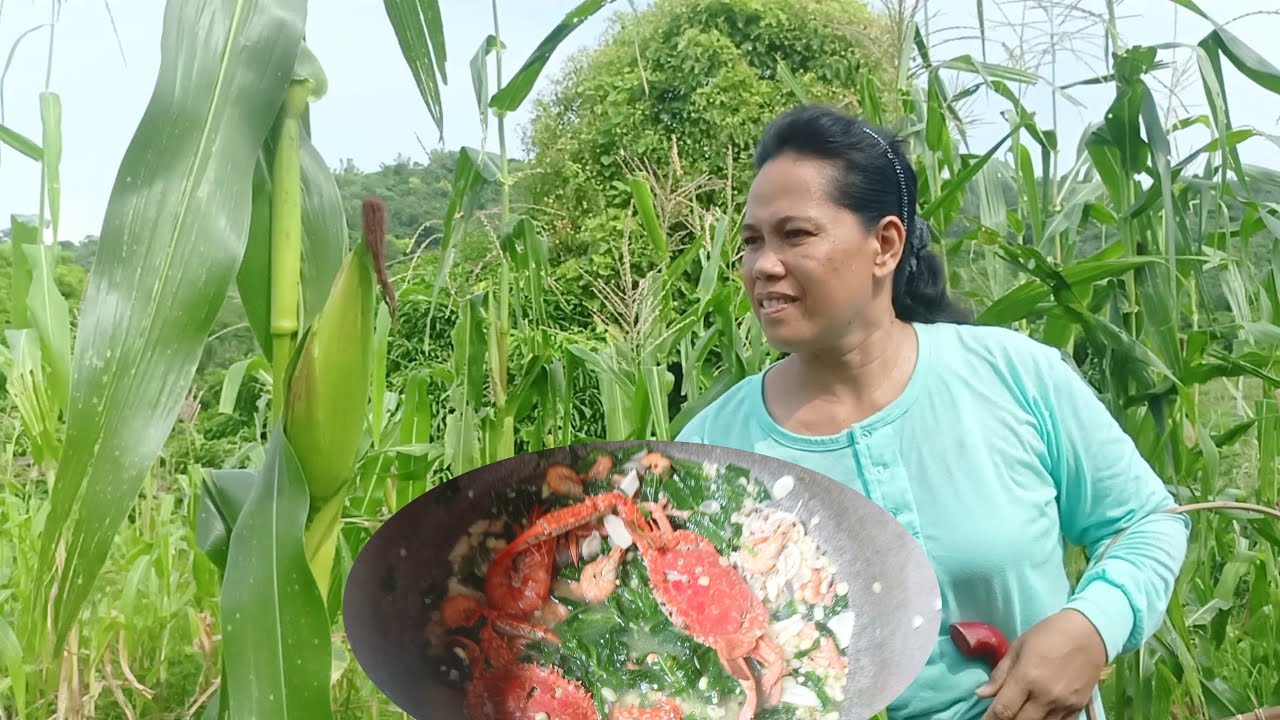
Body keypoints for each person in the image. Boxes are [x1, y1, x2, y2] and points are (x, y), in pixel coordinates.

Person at [673, 104, 1190, 720]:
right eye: (752, 241)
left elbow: (1146, 521)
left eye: (796, 234)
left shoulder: (1013, 376)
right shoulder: (711, 447)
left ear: (885, 245)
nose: (763, 264)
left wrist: (1094, 625)